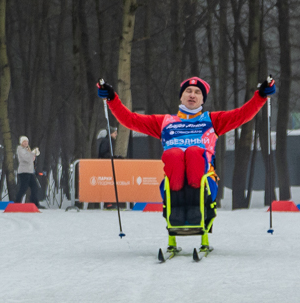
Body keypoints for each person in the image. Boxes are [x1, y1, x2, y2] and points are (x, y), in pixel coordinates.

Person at [97, 75, 276, 252]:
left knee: (193, 152)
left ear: (202, 99)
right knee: (174, 153)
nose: (192, 95)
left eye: (197, 92)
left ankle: (197, 211)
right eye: (188, 91)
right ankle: (178, 214)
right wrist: (112, 99)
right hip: (173, 182)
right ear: (181, 97)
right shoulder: (165, 122)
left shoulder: (212, 120)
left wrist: (260, 96)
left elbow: (242, 115)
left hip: (204, 182)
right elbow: (130, 120)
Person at [15, 136, 43, 208]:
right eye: (24, 142)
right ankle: (16, 203)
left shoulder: (28, 149)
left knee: (34, 187)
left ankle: (34, 203)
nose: (25, 143)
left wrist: (35, 153)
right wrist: (33, 153)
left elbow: (31, 159)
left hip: (30, 172)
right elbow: (26, 158)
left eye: (26, 141)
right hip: (24, 172)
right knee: (23, 188)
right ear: (21, 143)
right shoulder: (20, 149)